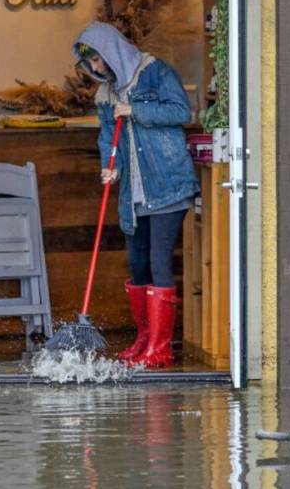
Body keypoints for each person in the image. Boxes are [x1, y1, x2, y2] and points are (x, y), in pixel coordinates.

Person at [72, 21, 200, 369]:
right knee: (138, 264)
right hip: (133, 193)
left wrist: (136, 110)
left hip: (168, 184)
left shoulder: (155, 73)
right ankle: (143, 341)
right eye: (90, 64)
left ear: (112, 51)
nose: (96, 69)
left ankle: (160, 349)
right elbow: (107, 137)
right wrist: (109, 167)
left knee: (159, 262)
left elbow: (180, 112)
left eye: (98, 60)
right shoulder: (107, 94)